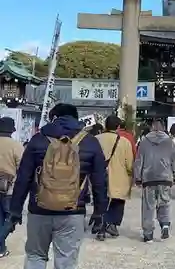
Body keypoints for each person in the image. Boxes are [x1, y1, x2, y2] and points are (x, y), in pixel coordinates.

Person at [8, 103, 107, 269]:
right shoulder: (90, 142)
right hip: (73, 211)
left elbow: (23, 178)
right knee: (66, 261)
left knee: (35, 256)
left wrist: (15, 210)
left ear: (54, 117)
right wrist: (99, 211)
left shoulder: (38, 140)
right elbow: (100, 180)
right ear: (75, 118)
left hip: (39, 210)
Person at [134, 119, 175, 242]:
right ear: (163, 128)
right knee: (164, 202)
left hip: (149, 178)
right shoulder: (170, 142)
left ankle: (148, 234)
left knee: (148, 207)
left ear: (151, 128)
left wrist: (137, 177)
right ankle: (165, 225)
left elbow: (138, 161)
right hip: (165, 178)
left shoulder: (144, 142)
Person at [95, 115, 134, 239]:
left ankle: (101, 228)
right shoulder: (124, 142)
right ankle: (111, 223)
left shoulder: (96, 139)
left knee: (101, 202)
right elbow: (130, 164)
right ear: (118, 127)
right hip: (119, 177)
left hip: (99, 175)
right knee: (118, 201)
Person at [0, 117, 23, 258]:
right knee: (10, 217)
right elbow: (23, 169)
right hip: (8, 188)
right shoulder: (16, 146)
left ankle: (1, 249)